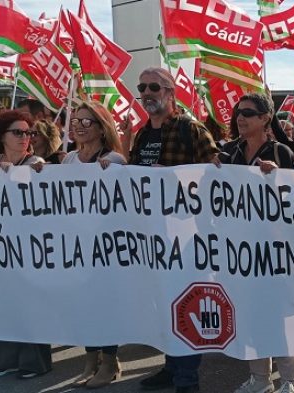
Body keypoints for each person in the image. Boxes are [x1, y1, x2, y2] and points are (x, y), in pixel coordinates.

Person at [131, 67, 220, 393]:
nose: (147, 92)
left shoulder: (190, 129)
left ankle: (187, 379)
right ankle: (170, 367)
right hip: (151, 235)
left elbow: (215, 174)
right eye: (142, 87)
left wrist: (171, 175)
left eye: (155, 86)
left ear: (171, 92)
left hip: (185, 237)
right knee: (162, 303)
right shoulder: (142, 134)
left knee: (185, 303)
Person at [46, 101, 128, 388]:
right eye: (76, 121)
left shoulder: (114, 160)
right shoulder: (68, 160)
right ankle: (89, 361)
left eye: (86, 122)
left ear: (101, 128)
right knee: (81, 306)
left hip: (103, 250)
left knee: (103, 306)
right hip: (74, 247)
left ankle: (110, 361)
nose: (79, 126)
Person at [226, 94, 294, 393]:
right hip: (242, 252)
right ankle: (259, 378)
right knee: (249, 315)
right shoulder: (232, 154)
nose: (240, 118)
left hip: (277, 251)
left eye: (248, 113)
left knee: (279, 316)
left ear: (265, 119)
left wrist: (279, 177)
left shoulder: (281, 153)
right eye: (238, 112)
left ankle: (289, 380)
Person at [0, 110, 50, 380]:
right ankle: (5, 359)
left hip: (29, 247)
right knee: (5, 303)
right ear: (1, 137)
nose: (25, 137)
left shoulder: (35, 161)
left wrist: (17, 174)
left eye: (28, 133)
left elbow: (35, 180)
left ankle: (35, 362)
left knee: (29, 305)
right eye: (17, 132)